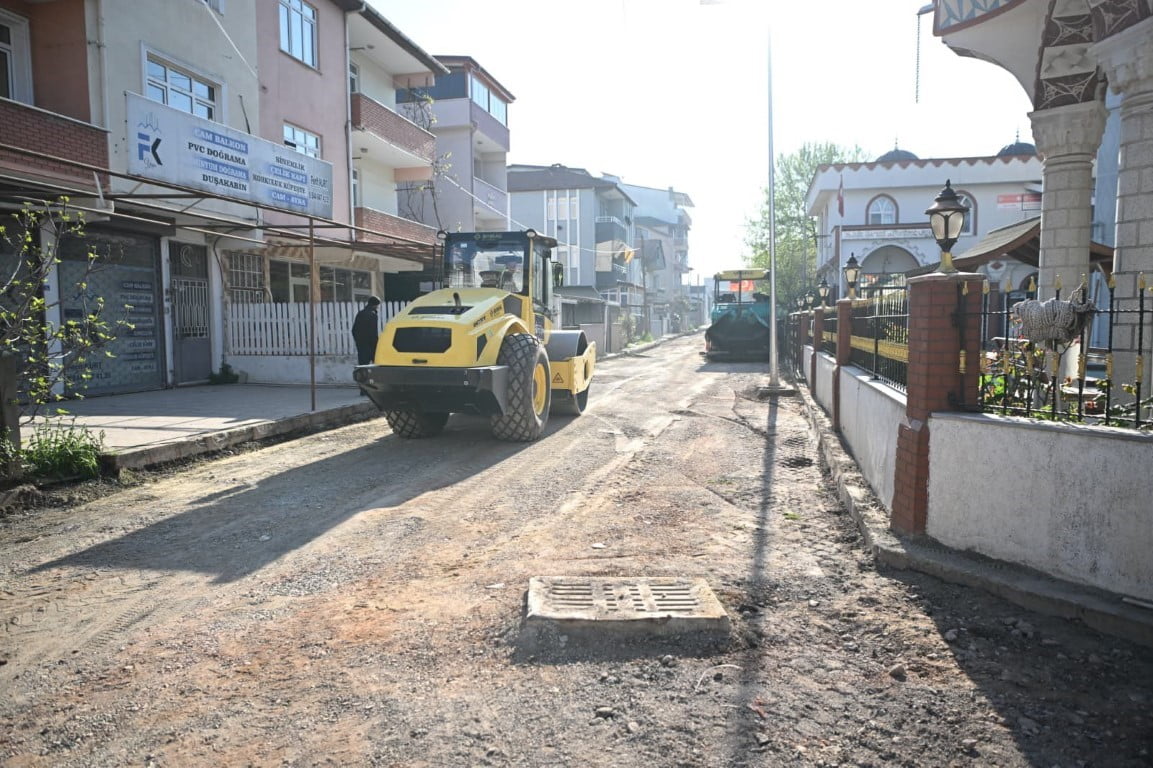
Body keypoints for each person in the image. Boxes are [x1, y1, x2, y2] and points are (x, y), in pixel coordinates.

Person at [352, 295, 381, 367]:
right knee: (375, 367)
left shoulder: (360, 313)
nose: (378, 307)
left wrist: (358, 341)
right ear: (375, 305)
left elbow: (354, 330)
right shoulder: (373, 315)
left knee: (363, 367)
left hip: (361, 345)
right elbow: (373, 332)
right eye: (377, 305)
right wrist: (376, 345)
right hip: (370, 345)